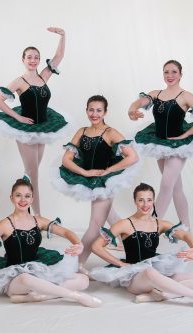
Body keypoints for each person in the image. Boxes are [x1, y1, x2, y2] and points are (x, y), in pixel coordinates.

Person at [90, 183, 193, 312]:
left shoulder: (160, 224)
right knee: (149, 272)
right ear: (135, 201)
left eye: (149, 200)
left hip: (156, 270)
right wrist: (119, 263)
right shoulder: (124, 224)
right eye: (141, 200)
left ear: (153, 201)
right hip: (135, 277)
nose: (145, 204)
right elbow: (96, 246)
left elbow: (185, 235)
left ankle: (163, 295)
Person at [0, 179, 102, 307]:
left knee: (83, 280)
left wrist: (79, 245)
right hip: (15, 278)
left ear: (32, 199)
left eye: (27, 196)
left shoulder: (38, 221)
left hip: (38, 270)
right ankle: (76, 296)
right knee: (26, 278)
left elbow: (67, 233)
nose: (23, 200)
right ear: (11, 198)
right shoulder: (5, 224)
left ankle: (36, 296)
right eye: (18, 195)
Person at [51, 95, 139, 271]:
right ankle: (133, 245)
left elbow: (133, 156)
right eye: (91, 110)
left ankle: (77, 263)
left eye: (99, 110)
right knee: (110, 215)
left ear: (105, 112)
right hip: (89, 177)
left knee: (95, 225)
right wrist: (85, 172)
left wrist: (108, 171)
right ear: (86, 111)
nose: (94, 114)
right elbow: (66, 159)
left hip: (106, 182)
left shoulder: (110, 132)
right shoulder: (82, 131)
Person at [128, 60, 193, 229]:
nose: (170, 75)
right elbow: (138, 103)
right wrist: (132, 110)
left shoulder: (186, 96)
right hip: (159, 142)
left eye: (174, 72)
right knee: (175, 187)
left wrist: (188, 133)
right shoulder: (156, 93)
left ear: (181, 74)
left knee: (166, 185)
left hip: (177, 145)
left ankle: (150, 229)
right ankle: (187, 228)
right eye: (166, 72)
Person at [0, 27, 69, 216]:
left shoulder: (44, 76)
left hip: (43, 128)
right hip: (25, 130)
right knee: (34, 174)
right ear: (23, 60)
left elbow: (58, 56)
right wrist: (17, 117)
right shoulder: (19, 81)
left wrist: (63, 36)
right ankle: (39, 218)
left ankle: (21, 212)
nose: (33, 60)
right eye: (29, 57)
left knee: (30, 172)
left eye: (36, 57)